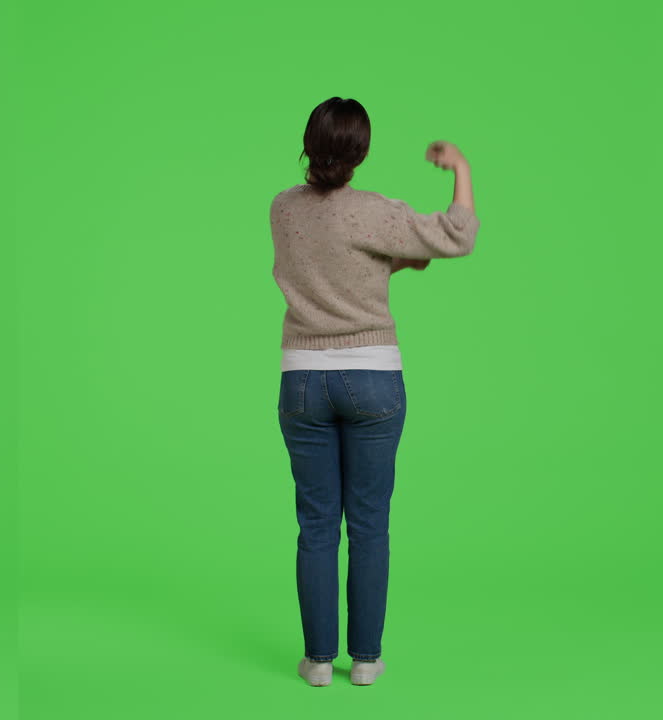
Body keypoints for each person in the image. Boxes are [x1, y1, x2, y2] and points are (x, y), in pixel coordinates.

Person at [269, 97, 478, 687]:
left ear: (308, 143)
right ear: (361, 152)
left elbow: (325, 258)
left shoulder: (282, 209)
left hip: (302, 379)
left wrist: (393, 262)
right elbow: (455, 237)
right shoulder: (374, 211)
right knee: (368, 524)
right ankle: (364, 659)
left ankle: (315, 661)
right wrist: (460, 166)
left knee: (314, 526)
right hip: (371, 376)